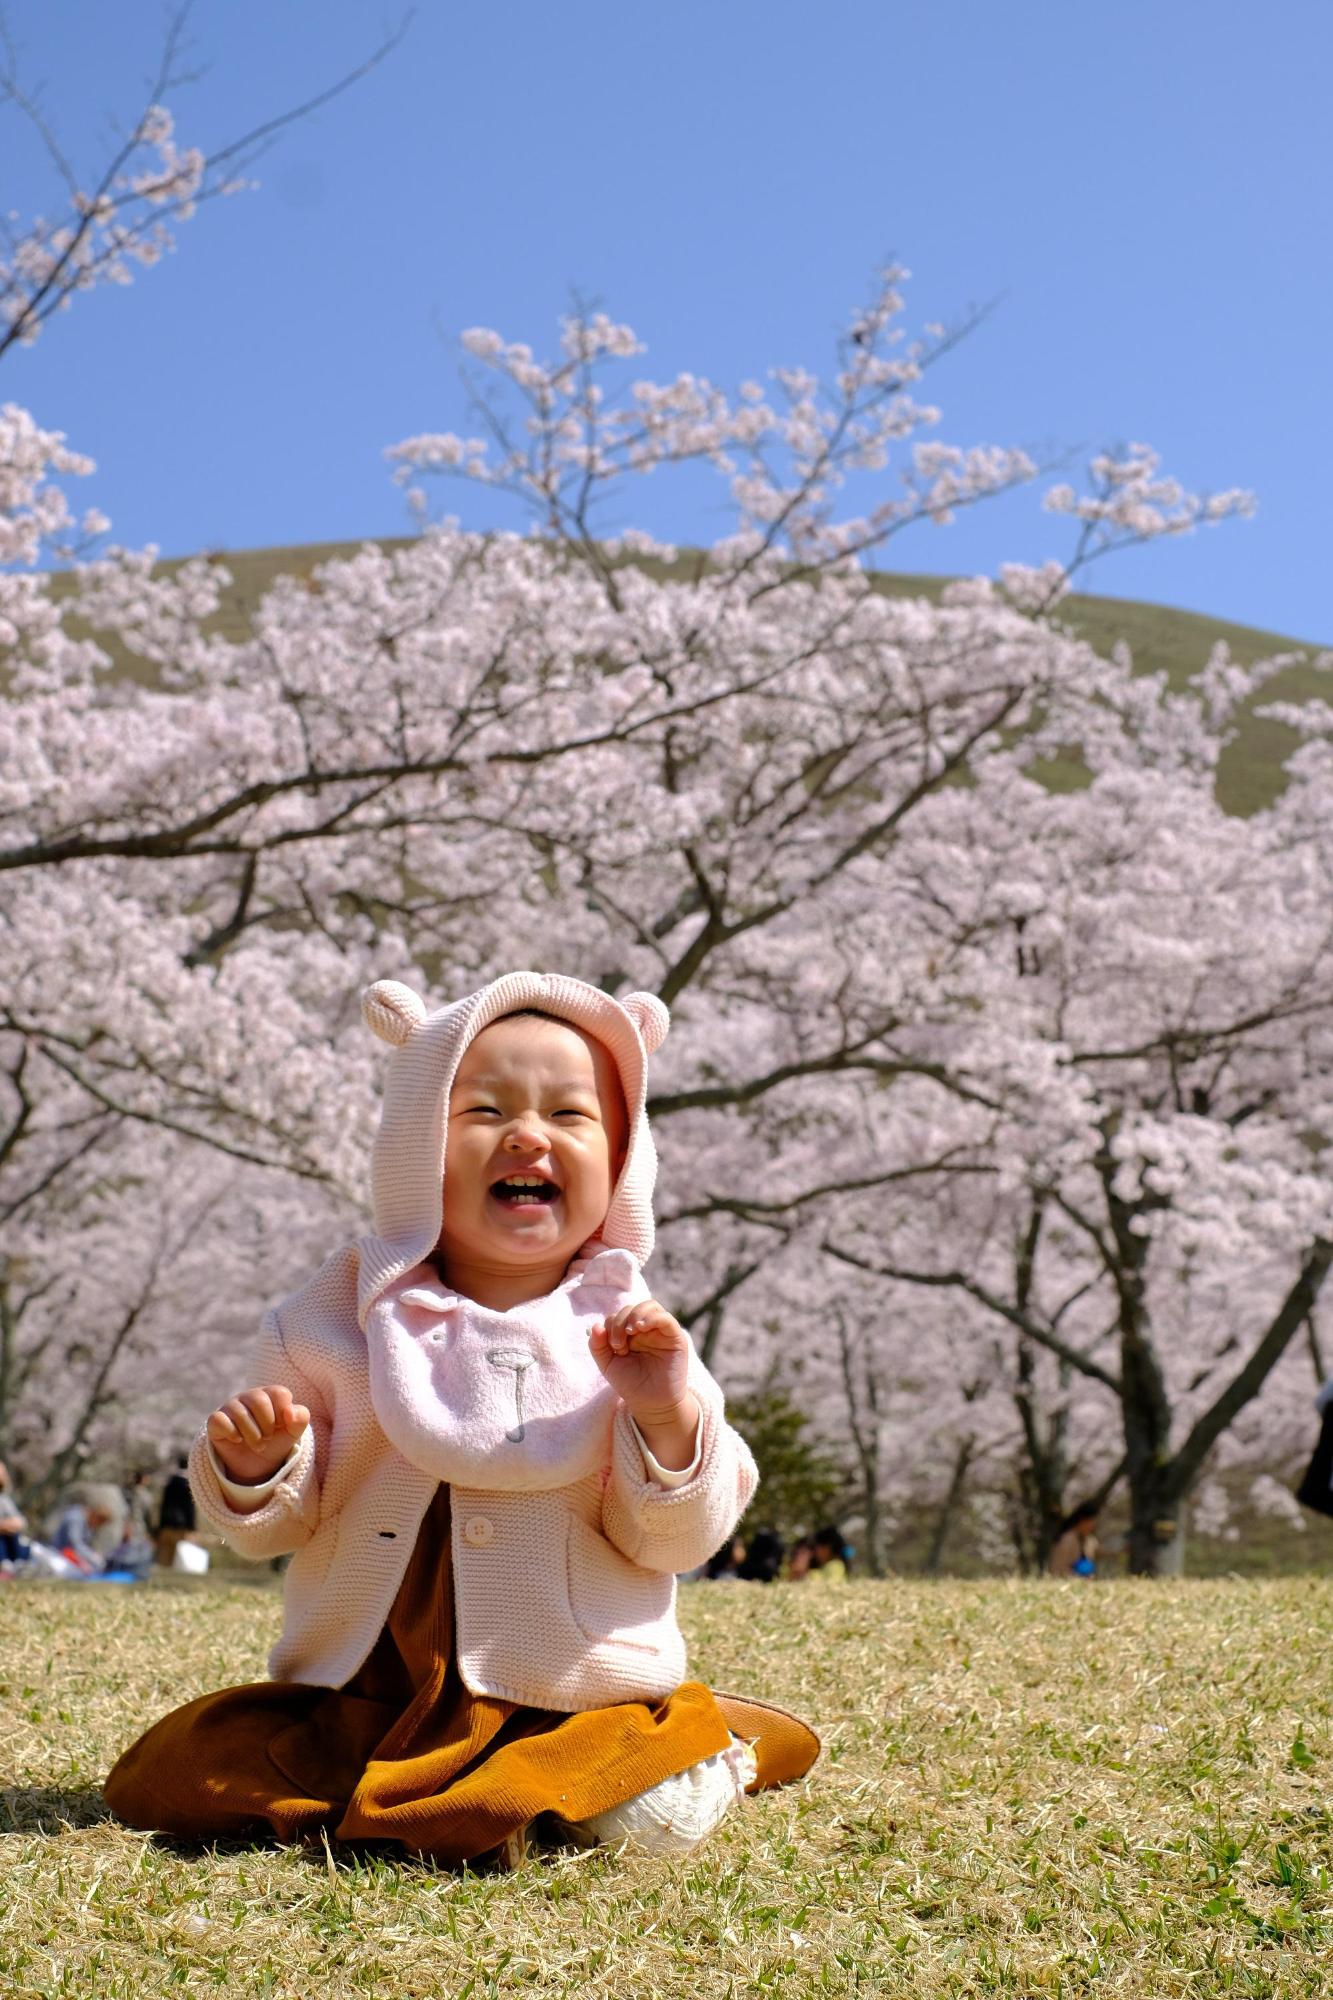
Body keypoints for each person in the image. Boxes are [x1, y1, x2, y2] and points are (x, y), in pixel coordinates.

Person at [104, 973, 820, 1867]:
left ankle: (707, 1752)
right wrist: (257, 1468)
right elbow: (265, 1534)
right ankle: (449, 1793)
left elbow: (675, 1539)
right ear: (415, 1149)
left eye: (570, 1115)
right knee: (173, 1779)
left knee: (652, 1825)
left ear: (623, 1157)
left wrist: (666, 1416)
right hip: (369, 1691)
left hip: (565, 1694)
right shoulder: (333, 1321)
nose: (528, 1133)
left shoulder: (635, 1334)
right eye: (483, 1111)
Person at [154, 1454, 196, 1568]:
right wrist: (192, 1527)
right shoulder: (187, 1485)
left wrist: (160, 1525)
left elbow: (163, 1505)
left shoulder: (169, 1484)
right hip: (181, 1525)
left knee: (165, 1555)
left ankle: (162, 1574)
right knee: (180, 1555)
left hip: (166, 1523)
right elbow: (189, 1507)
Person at [1048, 1501, 1099, 1578]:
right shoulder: (1066, 1540)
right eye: (1090, 1521)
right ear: (1081, 1521)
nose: (1092, 1525)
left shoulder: (1089, 1540)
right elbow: (1057, 1569)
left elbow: (1099, 1552)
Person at [0, 1459, 30, 1568]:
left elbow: (20, 1522)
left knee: (14, 1535)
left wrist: (6, 1526)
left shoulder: (3, 1499)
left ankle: (15, 1565)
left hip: (9, 1541)